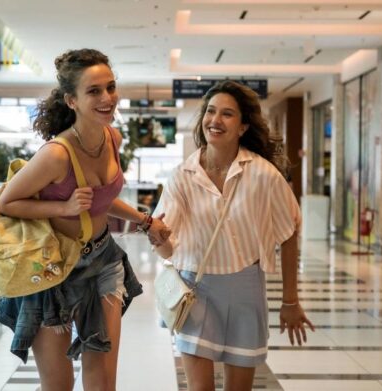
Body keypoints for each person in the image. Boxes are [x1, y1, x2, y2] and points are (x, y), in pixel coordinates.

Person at [0, 48, 169, 391]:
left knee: (103, 381)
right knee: (58, 384)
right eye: (94, 91)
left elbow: (102, 200)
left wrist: (146, 221)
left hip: (102, 262)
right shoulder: (56, 154)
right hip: (52, 272)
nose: (107, 98)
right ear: (71, 100)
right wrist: (64, 208)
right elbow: (7, 203)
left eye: (111, 87)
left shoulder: (112, 138)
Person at [152, 81, 314, 390]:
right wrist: (159, 239)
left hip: (244, 289)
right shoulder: (183, 175)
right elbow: (168, 247)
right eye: (211, 112)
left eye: (227, 114)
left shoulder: (264, 175)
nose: (215, 120)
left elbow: (290, 231)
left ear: (242, 127)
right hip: (193, 288)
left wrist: (290, 300)